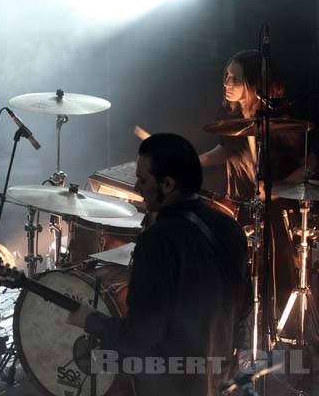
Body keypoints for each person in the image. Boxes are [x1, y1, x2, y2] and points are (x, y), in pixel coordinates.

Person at [67, 133, 253, 396]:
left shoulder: (157, 240)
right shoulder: (230, 227)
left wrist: (92, 321)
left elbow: (139, 336)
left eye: (143, 180)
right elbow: (245, 304)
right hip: (216, 374)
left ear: (167, 184)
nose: (136, 187)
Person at [199, 49, 305, 312]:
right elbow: (229, 150)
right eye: (226, 76)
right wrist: (195, 160)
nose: (227, 83)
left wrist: (279, 189)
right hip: (239, 206)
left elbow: (309, 163)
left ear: (255, 82)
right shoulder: (232, 118)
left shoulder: (278, 121)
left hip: (274, 212)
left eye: (235, 78)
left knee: (274, 282)